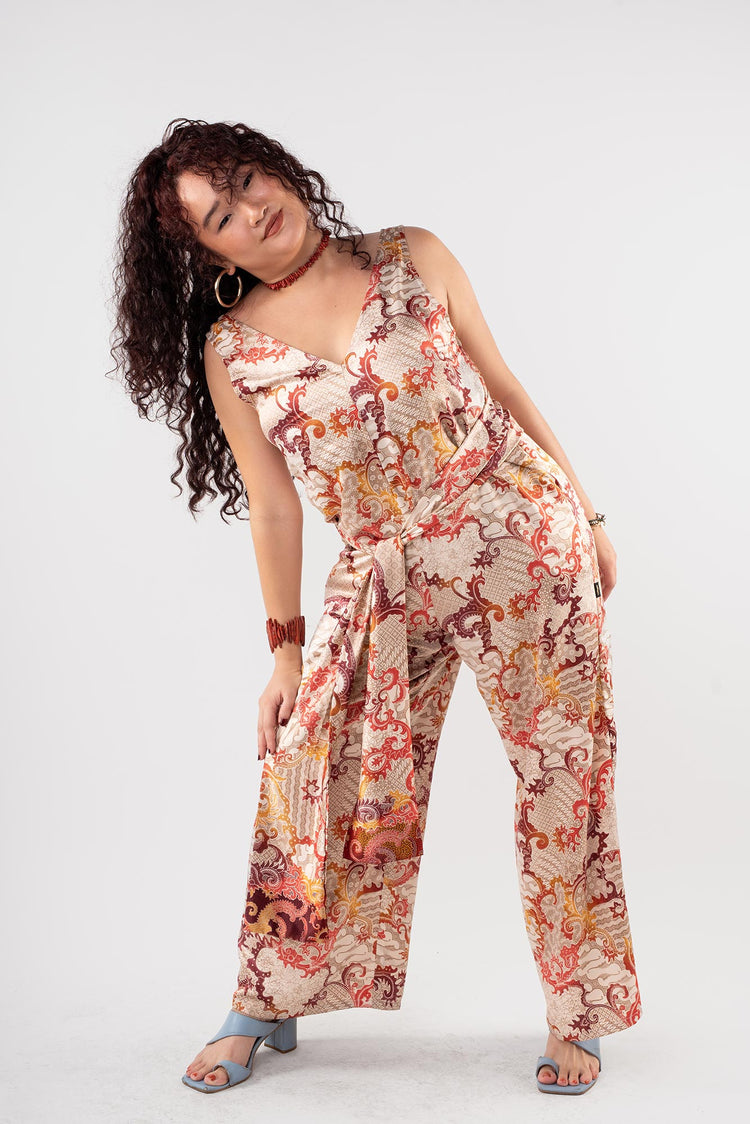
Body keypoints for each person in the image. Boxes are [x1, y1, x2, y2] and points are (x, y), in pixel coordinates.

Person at [109, 117, 642, 1097]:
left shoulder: (412, 255)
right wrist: (284, 652)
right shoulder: (233, 349)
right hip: (381, 576)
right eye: (220, 215)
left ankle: (580, 1009)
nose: (251, 210)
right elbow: (273, 505)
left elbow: (504, 386)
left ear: (277, 166)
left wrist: (589, 512)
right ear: (209, 252)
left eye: (246, 178)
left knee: (563, 773)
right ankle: (268, 995)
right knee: (314, 776)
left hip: (523, 538)